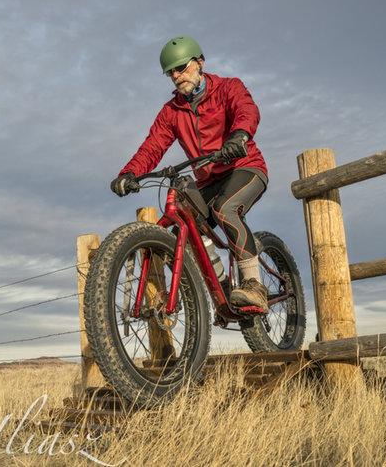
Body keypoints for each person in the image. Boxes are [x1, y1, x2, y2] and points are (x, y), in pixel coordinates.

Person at [110, 36, 269, 312]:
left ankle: (254, 286)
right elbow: (152, 146)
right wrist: (130, 173)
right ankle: (223, 289)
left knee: (224, 209)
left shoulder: (228, 87)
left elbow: (247, 109)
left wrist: (240, 136)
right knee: (183, 228)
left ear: (199, 63)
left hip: (244, 167)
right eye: (170, 72)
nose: (176, 75)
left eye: (181, 67)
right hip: (208, 180)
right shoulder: (172, 111)